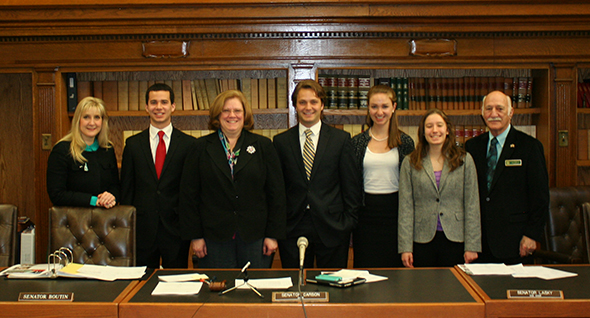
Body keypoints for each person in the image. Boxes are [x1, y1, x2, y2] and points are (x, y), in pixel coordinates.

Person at [179, 90, 286, 269]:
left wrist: (272, 235)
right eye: (225, 111)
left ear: (245, 115)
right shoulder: (200, 148)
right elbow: (189, 195)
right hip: (213, 238)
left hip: (255, 237)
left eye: (237, 111)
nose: (232, 115)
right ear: (217, 115)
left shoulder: (263, 146)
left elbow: (276, 194)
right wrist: (195, 237)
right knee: (218, 292)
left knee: (254, 291)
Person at [273, 79, 361, 269]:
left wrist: (348, 223)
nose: (308, 107)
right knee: (295, 286)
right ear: (295, 106)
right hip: (293, 226)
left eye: (313, 102)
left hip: (333, 226)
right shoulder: (281, 142)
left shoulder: (341, 140)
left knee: (332, 287)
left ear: (322, 105)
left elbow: (351, 186)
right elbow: (277, 189)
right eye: (302, 102)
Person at [465, 90, 549, 265]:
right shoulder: (472, 147)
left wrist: (532, 235)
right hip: (479, 244)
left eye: (500, 108)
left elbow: (540, 196)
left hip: (516, 242)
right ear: (482, 113)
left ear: (511, 112)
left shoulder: (529, 147)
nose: (493, 114)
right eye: (488, 108)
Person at [120, 83, 197, 269]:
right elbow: (127, 189)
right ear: (146, 107)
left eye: (164, 102)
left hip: (176, 228)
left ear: (173, 107)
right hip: (142, 229)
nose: (159, 107)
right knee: (142, 284)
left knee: (177, 284)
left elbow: (191, 191)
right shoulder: (133, 145)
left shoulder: (189, 145)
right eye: (153, 102)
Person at [398, 108, 481, 268]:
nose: (434, 130)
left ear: (447, 130)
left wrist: (472, 246)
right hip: (421, 239)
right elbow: (405, 207)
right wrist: (405, 247)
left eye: (439, 125)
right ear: (422, 131)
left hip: (456, 238)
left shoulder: (464, 160)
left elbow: (472, 205)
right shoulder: (410, 162)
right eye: (429, 126)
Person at [351, 85, 415, 268]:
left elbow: (411, 185)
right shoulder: (357, 143)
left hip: (396, 216)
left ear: (394, 107)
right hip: (365, 217)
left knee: (395, 276)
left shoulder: (405, 143)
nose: (379, 112)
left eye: (385, 106)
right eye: (374, 106)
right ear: (368, 108)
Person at [47, 96, 119, 209]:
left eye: (97, 117)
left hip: (104, 218)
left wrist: (111, 196)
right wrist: (93, 200)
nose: (92, 123)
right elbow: (57, 194)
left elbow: (115, 186)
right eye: (86, 117)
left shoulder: (107, 149)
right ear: (78, 120)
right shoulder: (62, 150)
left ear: (102, 121)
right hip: (73, 220)